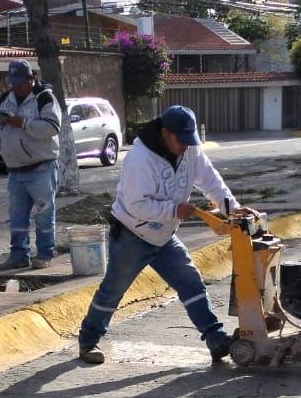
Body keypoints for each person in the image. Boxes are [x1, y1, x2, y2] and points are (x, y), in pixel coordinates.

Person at [76, 105, 255, 366]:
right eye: (181, 140)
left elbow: (209, 179)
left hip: (164, 235)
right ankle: (88, 341)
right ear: (164, 133)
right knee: (112, 291)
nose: (186, 146)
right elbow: (137, 204)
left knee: (190, 281)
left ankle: (216, 340)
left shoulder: (189, 149)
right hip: (132, 234)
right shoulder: (140, 158)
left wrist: (232, 208)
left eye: (189, 140)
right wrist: (174, 209)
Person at [0, 60, 61, 270]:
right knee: (17, 217)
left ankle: (45, 253)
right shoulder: (5, 98)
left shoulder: (44, 97)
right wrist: (0, 119)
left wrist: (23, 123)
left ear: (31, 79)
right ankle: (18, 255)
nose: (17, 87)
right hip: (15, 170)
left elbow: (52, 127)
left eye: (21, 83)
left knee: (44, 214)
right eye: (13, 83)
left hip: (41, 167)